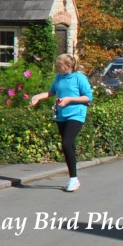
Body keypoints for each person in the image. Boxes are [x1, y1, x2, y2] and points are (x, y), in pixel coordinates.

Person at [30, 53, 93, 192]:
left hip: (76, 114)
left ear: (68, 66)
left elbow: (88, 97)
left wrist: (70, 99)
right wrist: (38, 97)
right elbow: (51, 92)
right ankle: (73, 175)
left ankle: (73, 179)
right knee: (68, 145)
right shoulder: (59, 77)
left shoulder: (79, 78)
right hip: (62, 115)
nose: (57, 69)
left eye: (60, 66)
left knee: (67, 143)